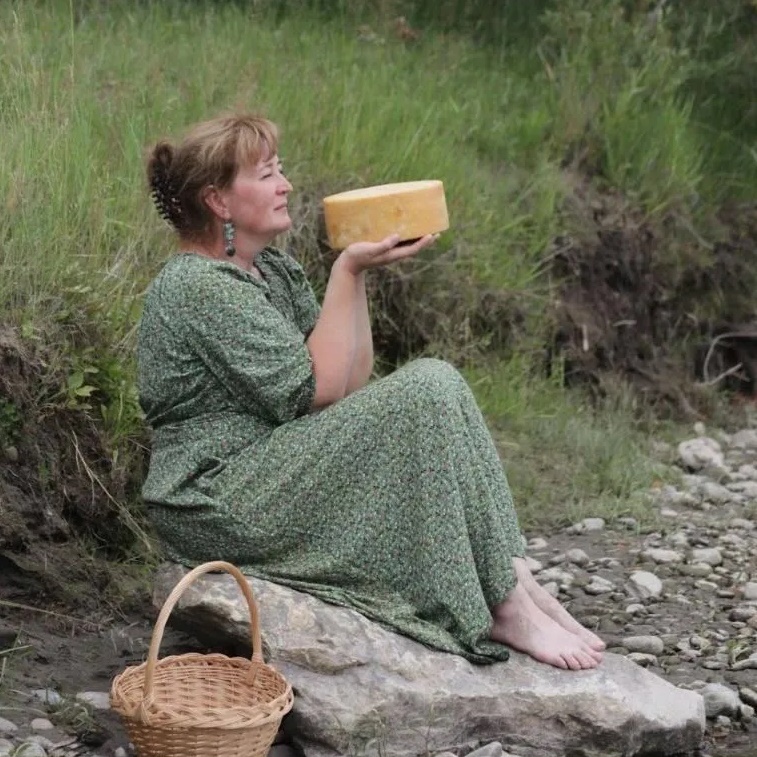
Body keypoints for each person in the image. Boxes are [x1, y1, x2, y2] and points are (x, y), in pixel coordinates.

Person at [137, 113, 605, 670]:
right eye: (267, 175)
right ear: (218, 200)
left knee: (441, 385)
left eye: (280, 169)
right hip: (216, 493)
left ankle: (510, 581)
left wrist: (355, 274)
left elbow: (349, 381)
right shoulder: (197, 286)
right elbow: (315, 389)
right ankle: (504, 604)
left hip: (267, 467)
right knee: (427, 385)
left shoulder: (273, 271)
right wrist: (345, 270)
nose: (286, 185)